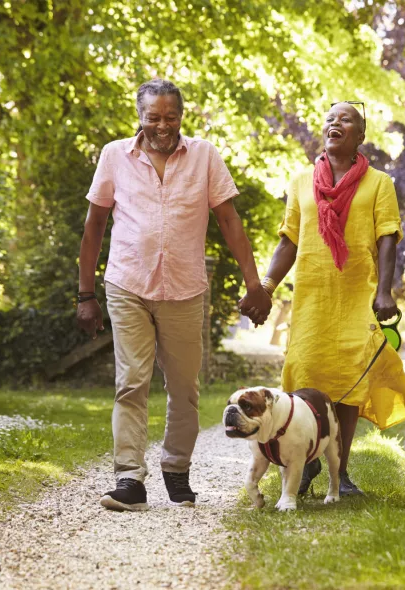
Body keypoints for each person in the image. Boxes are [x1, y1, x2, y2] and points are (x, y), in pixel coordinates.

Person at [77, 79, 271, 511]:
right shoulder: (114, 156)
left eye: (171, 117)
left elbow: (228, 219)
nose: (162, 126)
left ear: (181, 116)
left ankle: (176, 469)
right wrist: (85, 294)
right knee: (131, 383)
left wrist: (253, 283)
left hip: (184, 290)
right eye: (153, 117)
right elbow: (94, 226)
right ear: (140, 118)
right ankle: (129, 479)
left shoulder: (204, 156)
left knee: (184, 389)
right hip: (128, 284)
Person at [241, 102, 405, 496]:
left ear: (360, 135)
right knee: (304, 376)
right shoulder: (302, 181)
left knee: (348, 385)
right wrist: (266, 287)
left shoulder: (379, 183)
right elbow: (290, 238)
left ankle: (342, 472)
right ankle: (305, 463)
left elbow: (387, 236)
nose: (335, 123)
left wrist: (384, 291)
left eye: (346, 119)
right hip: (312, 297)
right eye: (330, 119)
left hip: (357, 295)